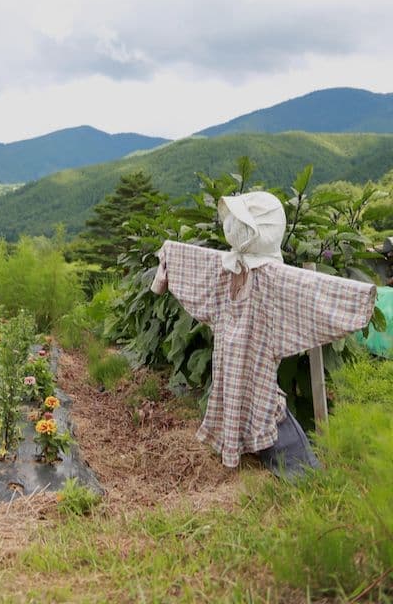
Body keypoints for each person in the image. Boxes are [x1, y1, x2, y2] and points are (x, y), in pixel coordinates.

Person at [151, 191, 377, 475]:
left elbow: (318, 292)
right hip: (227, 359)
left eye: (240, 223)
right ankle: (244, 451)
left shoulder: (274, 280)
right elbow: (187, 258)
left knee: (265, 407)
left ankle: (300, 473)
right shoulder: (226, 266)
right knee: (231, 398)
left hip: (258, 359)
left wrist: (359, 301)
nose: (231, 227)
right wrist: (164, 270)